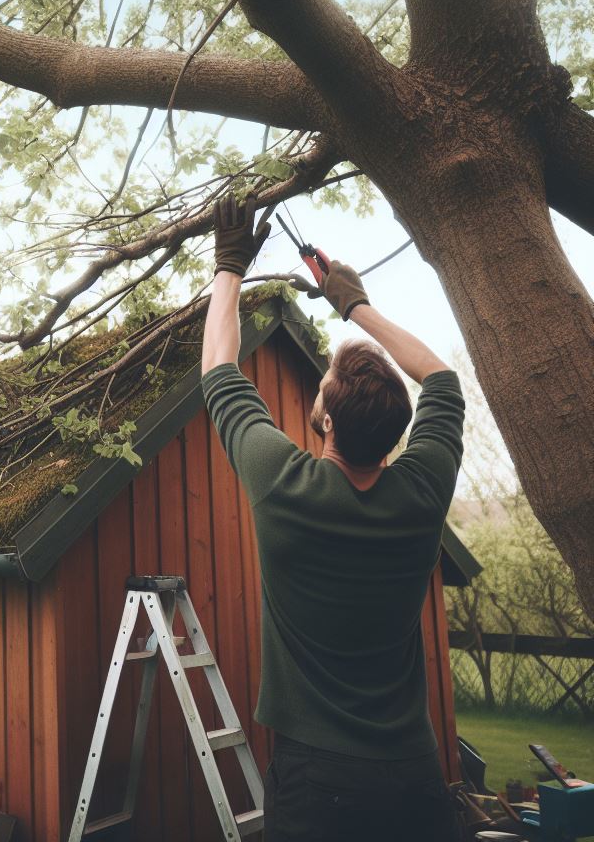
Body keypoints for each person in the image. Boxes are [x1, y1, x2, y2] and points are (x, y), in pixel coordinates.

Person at [200, 195, 465, 842]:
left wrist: (229, 264)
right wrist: (354, 304)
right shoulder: (421, 493)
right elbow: (442, 379)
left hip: (320, 786)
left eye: (321, 387)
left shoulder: (283, 485)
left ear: (323, 420)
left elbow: (216, 366)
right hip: (414, 777)